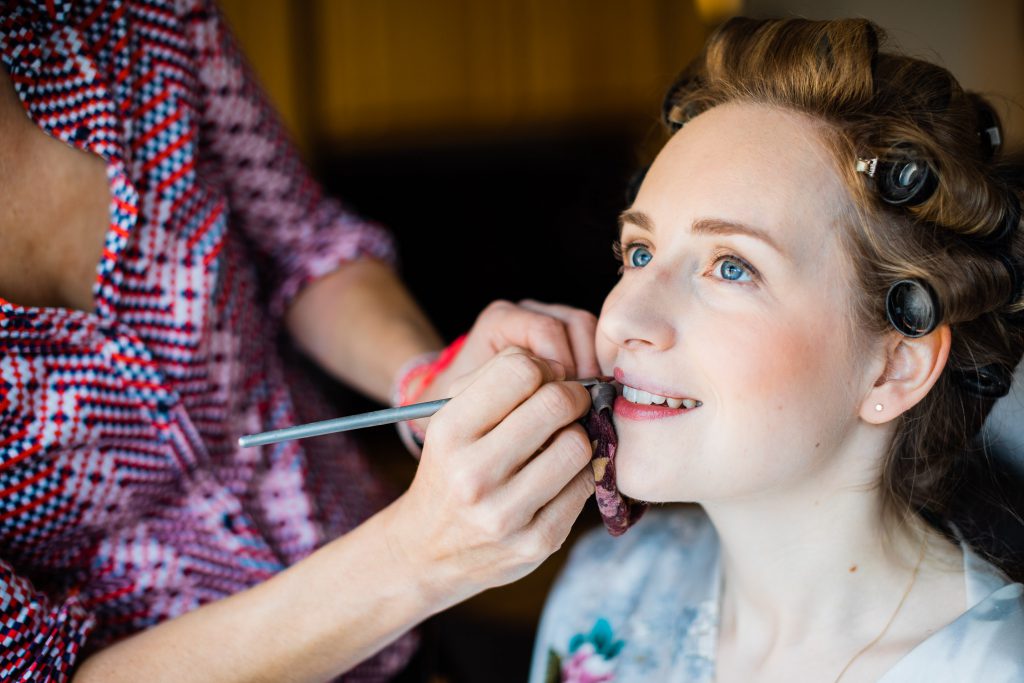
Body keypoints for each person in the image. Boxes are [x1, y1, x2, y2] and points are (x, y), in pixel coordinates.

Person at [0, 1, 601, 681]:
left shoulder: (132, 20)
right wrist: (414, 556)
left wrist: (427, 381)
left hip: (410, 635)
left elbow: (306, 247)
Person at [530, 17, 1024, 683]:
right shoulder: (606, 595)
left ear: (894, 365)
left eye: (732, 266)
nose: (621, 315)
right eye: (638, 252)